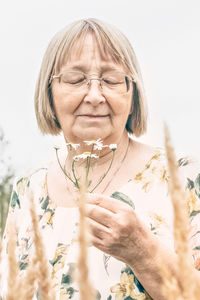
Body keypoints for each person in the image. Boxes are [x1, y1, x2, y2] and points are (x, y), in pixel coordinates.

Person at [2, 18, 200, 300]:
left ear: (133, 95)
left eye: (111, 80)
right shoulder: (28, 190)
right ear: (49, 93)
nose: (94, 96)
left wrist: (143, 252)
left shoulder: (182, 176)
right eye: (75, 79)